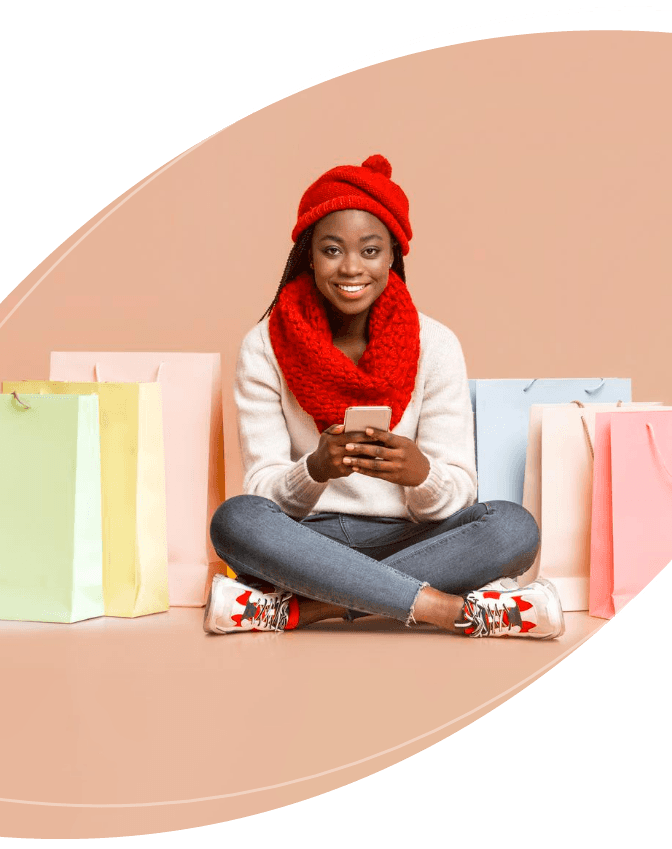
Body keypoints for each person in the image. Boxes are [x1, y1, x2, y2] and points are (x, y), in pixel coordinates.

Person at [205, 154, 564, 639]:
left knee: (513, 528)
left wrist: (420, 473)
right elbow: (264, 491)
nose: (351, 268)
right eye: (332, 250)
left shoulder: (435, 344)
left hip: (413, 536)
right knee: (236, 520)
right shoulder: (264, 345)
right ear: (309, 254)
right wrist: (315, 469)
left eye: (369, 251)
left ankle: (308, 608)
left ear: (393, 254)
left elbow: (459, 491)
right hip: (309, 540)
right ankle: (451, 611)